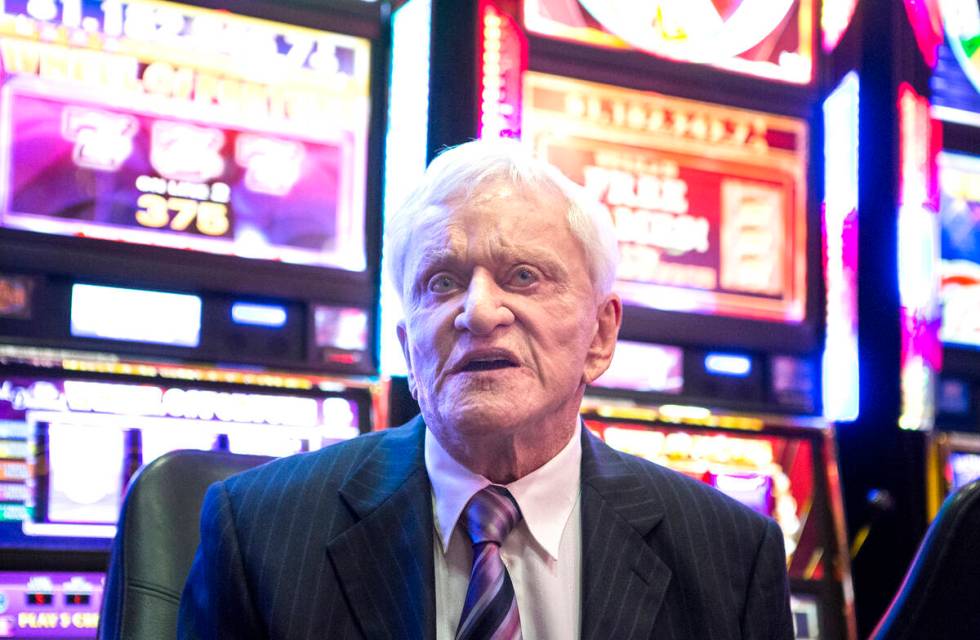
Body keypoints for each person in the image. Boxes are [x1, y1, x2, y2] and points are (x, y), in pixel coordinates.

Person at [178, 139, 794, 639]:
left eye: (522, 276)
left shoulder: (730, 554)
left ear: (601, 334)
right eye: (441, 282)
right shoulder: (257, 532)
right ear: (406, 346)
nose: (478, 311)